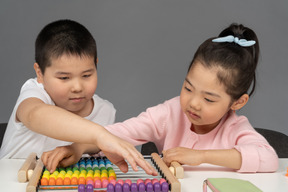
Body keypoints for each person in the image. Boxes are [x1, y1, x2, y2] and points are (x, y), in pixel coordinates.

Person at [41, 23, 279, 173]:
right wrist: (79, 147)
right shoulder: (171, 113)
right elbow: (122, 132)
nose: (193, 103)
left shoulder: (236, 128)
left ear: (237, 102)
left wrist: (200, 157)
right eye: (188, 88)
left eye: (209, 99)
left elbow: (268, 159)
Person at [0, 19, 157, 176]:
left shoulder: (105, 111)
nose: (77, 87)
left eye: (86, 75)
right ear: (40, 73)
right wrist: (100, 135)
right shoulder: (34, 93)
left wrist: (94, 142)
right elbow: (35, 115)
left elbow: (95, 150)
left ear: (96, 65)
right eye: (64, 78)